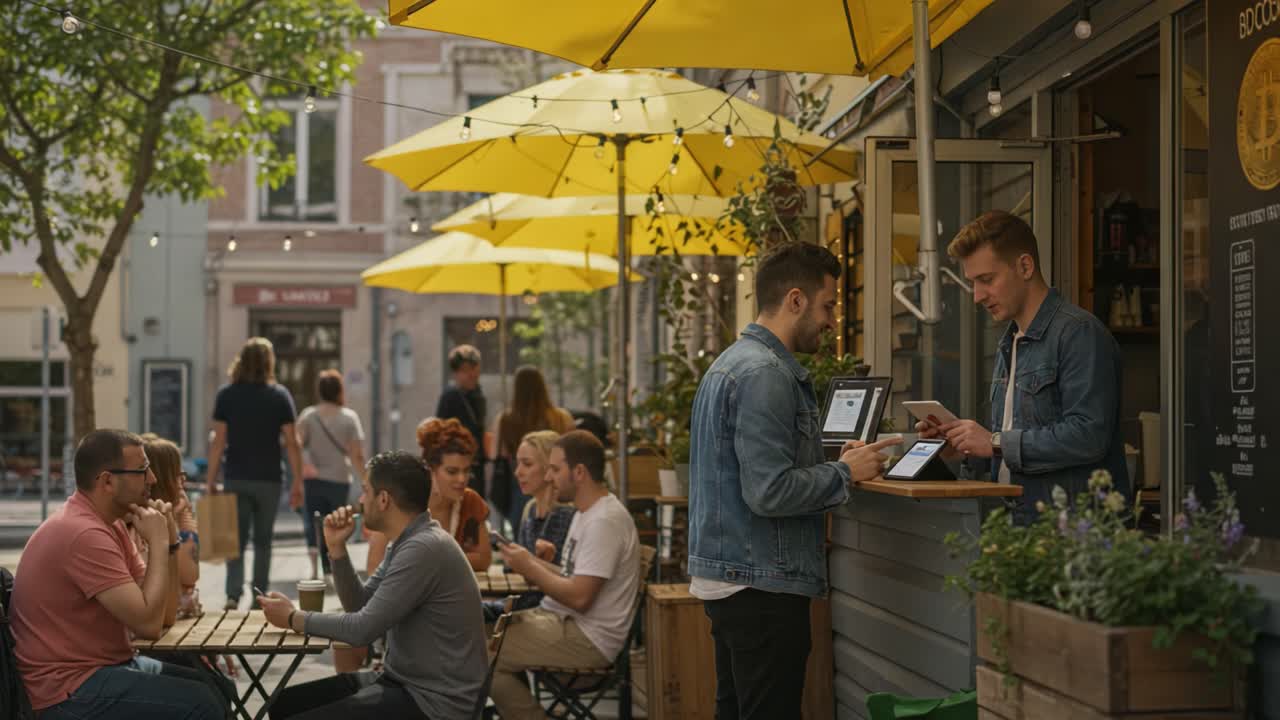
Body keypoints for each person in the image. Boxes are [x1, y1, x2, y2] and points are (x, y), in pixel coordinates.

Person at [687, 241, 903, 720]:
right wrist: (845, 473)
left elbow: (760, 470)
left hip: (737, 577)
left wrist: (836, 462)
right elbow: (768, 491)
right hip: (761, 584)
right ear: (796, 300)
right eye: (828, 305)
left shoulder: (730, 364)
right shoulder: (765, 374)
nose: (832, 320)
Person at [918, 209, 1129, 512]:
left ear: (1025, 266)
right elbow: (1015, 446)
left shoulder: (1079, 333)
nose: (977, 295)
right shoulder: (1010, 341)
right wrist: (964, 446)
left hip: (1069, 538)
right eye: (972, 283)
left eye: (986, 279)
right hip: (1017, 529)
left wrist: (993, 442)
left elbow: (1089, 436)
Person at [10, 429, 224, 719]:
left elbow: (164, 617)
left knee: (218, 685)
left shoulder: (110, 525)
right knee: (202, 703)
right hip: (66, 688)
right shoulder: (83, 533)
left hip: (103, 668)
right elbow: (148, 625)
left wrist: (171, 541)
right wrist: (159, 544)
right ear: (107, 481)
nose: (153, 480)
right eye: (142, 471)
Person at [259, 451, 488, 719]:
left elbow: (362, 629)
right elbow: (359, 605)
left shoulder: (424, 548)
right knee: (283, 704)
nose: (359, 499)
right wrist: (337, 549)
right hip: (401, 683)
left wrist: (292, 618)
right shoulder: (407, 542)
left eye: (365, 490)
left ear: (383, 499)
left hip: (434, 703)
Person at [490, 430, 641, 720]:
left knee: (484, 651)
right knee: (484, 635)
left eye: (556, 469)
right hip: (566, 623)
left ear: (579, 472)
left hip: (587, 638)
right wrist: (532, 562)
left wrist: (531, 566)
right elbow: (575, 577)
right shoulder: (588, 513)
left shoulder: (603, 522)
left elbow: (580, 597)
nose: (549, 478)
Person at [207, 337, 305, 610]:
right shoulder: (279, 396)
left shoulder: (227, 395)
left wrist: (211, 480)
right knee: (263, 541)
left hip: (236, 476)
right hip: (269, 478)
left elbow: (218, 441)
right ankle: (259, 596)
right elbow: (292, 442)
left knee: (233, 540)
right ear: (269, 363)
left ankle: (232, 595)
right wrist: (298, 480)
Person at [481, 430, 574, 622]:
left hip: (541, 614)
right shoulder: (531, 509)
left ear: (550, 469)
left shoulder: (566, 515)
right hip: (519, 604)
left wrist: (532, 563)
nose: (517, 472)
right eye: (518, 463)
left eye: (527, 464)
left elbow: (566, 581)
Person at [298, 369, 367, 579]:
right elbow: (356, 454)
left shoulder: (309, 415)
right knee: (335, 522)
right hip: (339, 479)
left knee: (313, 521)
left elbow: (295, 445)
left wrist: (305, 465)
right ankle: (331, 570)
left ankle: (313, 570)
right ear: (339, 390)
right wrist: (366, 479)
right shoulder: (349, 417)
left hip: (313, 479)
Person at [493, 366, 576, 523]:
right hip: (558, 486)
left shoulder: (505, 420)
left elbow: (497, 453)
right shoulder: (561, 417)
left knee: (524, 530)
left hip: (519, 489)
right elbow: (572, 450)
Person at [139, 434, 200, 618]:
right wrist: (180, 520)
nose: (183, 482)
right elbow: (190, 575)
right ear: (166, 479)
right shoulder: (149, 522)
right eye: (179, 475)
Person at [436, 344, 487, 496]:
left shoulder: (478, 395)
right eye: (466, 370)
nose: (472, 374)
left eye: (474, 368)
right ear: (455, 373)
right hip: (457, 466)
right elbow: (440, 434)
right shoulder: (450, 397)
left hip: (476, 464)